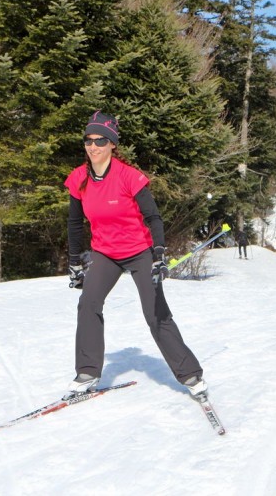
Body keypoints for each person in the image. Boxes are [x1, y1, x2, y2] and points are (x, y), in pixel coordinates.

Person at [63, 111, 207, 400]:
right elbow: (74, 223)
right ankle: (88, 370)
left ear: (113, 144)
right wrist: (74, 261)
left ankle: (190, 374)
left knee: (155, 312)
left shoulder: (129, 176)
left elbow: (153, 217)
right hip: (105, 253)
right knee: (88, 303)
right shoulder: (79, 179)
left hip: (139, 251)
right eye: (88, 140)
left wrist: (159, 254)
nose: (93, 147)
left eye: (100, 141)